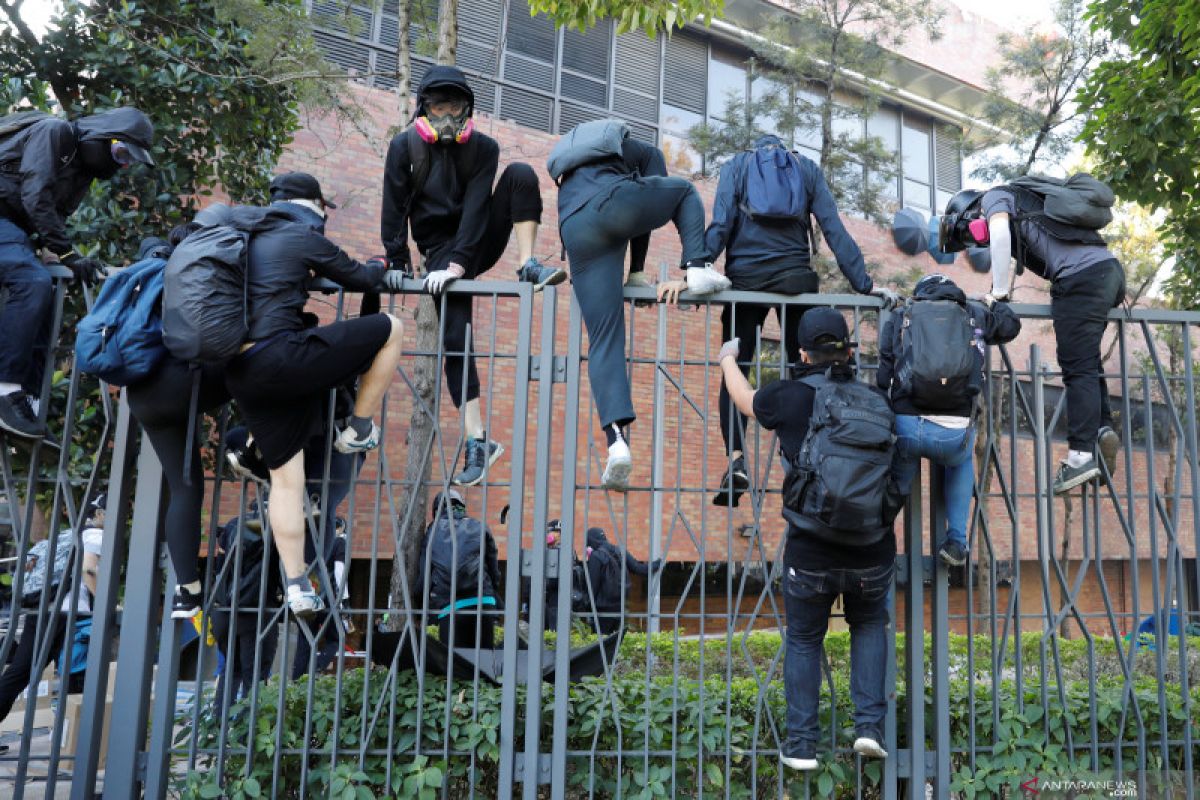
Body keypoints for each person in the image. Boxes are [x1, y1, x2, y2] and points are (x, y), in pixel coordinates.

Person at [718, 308, 894, 771]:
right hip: (872, 547)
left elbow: (744, 401)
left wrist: (727, 360)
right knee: (870, 627)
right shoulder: (876, 401)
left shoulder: (791, 395)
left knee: (802, 641)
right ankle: (869, 730)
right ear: (848, 350)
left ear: (801, 352)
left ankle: (800, 746)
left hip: (811, 547)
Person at [224, 171, 406, 618]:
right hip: (283, 356)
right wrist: (381, 267)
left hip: (238, 368)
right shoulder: (299, 236)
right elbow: (361, 277)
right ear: (312, 208)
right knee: (390, 329)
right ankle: (358, 428)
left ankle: (295, 584)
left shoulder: (239, 239)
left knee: (287, 482)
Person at [382, 65, 562, 487]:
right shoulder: (403, 147)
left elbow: (480, 206)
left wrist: (459, 265)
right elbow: (394, 206)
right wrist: (397, 261)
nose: (447, 115)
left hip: (475, 240)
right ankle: (479, 440)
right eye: (438, 106)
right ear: (424, 109)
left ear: (467, 110)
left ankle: (528, 263)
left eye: (455, 106)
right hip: (437, 247)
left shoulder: (484, 148)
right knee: (455, 337)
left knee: (520, 175)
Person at [704, 135, 896, 506]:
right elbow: (833, 227)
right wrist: (864, 284)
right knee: (808, 373)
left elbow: (721, 224)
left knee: (735, 368)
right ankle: (811, 457)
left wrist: (696, 267)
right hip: (797, 279)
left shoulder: (736, 166)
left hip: (746, 283)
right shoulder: (805, 168)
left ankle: (737, 462)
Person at [556, 126, 731, 490]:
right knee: (683, 191)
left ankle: (616, 442)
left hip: (574, 228)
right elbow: (653, 204)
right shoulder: (642, 150)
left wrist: (632, 274)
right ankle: (697, 267)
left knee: (604, 339)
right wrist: (638, 271)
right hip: (613, 205)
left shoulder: (570, 169)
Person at [942, 184, 1124, 494]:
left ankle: (1080, 457)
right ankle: (1102, 428)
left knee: (1076, 367)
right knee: (1087, 360)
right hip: (1108, 273)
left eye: (971, 233)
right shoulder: (1025, 200)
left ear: (970, 212)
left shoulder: (994, 197)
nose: (976, 240)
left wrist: (999, 292)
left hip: (1081, 280)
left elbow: (998, 233)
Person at [0, 107, 155, 439]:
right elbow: (35, 192)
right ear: (101, 135)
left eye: (130, 159)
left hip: (13, 227)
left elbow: (54, 214)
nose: (122, 163)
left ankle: (28, 401)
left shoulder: (84, 172)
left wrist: (50, 249)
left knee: (48, 290)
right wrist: (68, 253)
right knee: (32, 281)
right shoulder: (54, 132)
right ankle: (4, 390)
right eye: (120, 152)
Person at [125, 227, 235, 619]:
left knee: (183, 486)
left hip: (141, 394)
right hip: (182, 382)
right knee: (259, 365)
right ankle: (248, 443)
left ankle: (184, 593)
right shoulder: (192, 270)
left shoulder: (137, 277)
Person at [877, 273, 1021, 567]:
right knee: (961, 461)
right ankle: (956, 542)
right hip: (953, 433)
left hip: (907, 427)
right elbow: (1011, 326)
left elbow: (883, 377)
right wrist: (995, 302)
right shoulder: (974, 313)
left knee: (900, 471)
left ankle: (878, 528)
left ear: (920, 294)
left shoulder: (901, 315)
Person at [0, 493, 106, 727]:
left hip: (43, 608)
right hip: (65, 613)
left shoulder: (70, 534)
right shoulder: (97, 535)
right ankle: (75, 733)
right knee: (72, 672)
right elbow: (89, 569)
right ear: (98, 514)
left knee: (21, 672)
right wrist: (106, 602)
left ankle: (71, 732)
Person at [416, 489, 502, 649]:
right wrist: (493, 593)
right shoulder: (480, 526)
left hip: (451, 605)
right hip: (483, 601)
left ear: (437, 510)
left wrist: (419, 603)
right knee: (484, 665)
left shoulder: (433, 530)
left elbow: (424, 575)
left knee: (454, 666)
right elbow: (494, 570)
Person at [579, 527, 660, 634]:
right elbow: (639, 568)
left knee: (600, 645)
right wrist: (658, 563)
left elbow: (592, 587)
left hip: (602, 611)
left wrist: (585, 607)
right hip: (620, 608)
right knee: (615, 644)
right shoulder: (620, 551)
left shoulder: (596, 556)